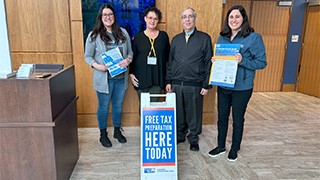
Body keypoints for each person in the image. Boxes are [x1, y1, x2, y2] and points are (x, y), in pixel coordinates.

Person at [208, 5, 267, 161]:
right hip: (223, 84)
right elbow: (221, 59)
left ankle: (234, 148)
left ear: (243, 19)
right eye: (231, 17)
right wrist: (216, 61)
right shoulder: (223, 37)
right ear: (227, 20)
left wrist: (243, 60)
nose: (233, 20)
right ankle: (221, 146)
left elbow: (262, 63)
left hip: (242, 87)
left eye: (237, 17)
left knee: (237, 118)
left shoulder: (254, 38)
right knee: (222, 117)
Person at [84, 3, 133, 148]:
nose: (108, 17)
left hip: (120, 79)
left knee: (118, 106)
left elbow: (130, 53)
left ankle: (117, 131)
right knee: (104, 107)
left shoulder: (123, 33)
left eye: (110, 14)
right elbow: (87, 56)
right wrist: (97, 66)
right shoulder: (94, 35)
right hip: (103, 79)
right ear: (101, 17)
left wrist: (128, 60)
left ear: (114, 16)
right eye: (105, 15)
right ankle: (103, 134)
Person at [166, 7, 213, 151]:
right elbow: (171, 61)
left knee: (194, 113)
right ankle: (180, 135)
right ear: (181, 20)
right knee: (179, 112)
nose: (187, 19)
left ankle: (193, 138)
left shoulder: (204, 38)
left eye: (190, 16)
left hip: (195, 84)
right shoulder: (176, 39)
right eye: (184, 17)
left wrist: (206, 84)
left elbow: (208, 62)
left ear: (195, 19)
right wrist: (168, 81)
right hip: (177, 84)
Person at [129, 7, 170, 110]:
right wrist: (131, 73)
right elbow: (133, 57)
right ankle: (142, 126)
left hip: (158, 77)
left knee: (152, 108)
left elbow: (169, 59)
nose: (153, 21)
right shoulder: (138, 37)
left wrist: (168, 80)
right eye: (150, 17)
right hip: (140, 78)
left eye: (156, 18)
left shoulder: (164, 36)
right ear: (145, 19)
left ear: (158, 21)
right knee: (143, 107)